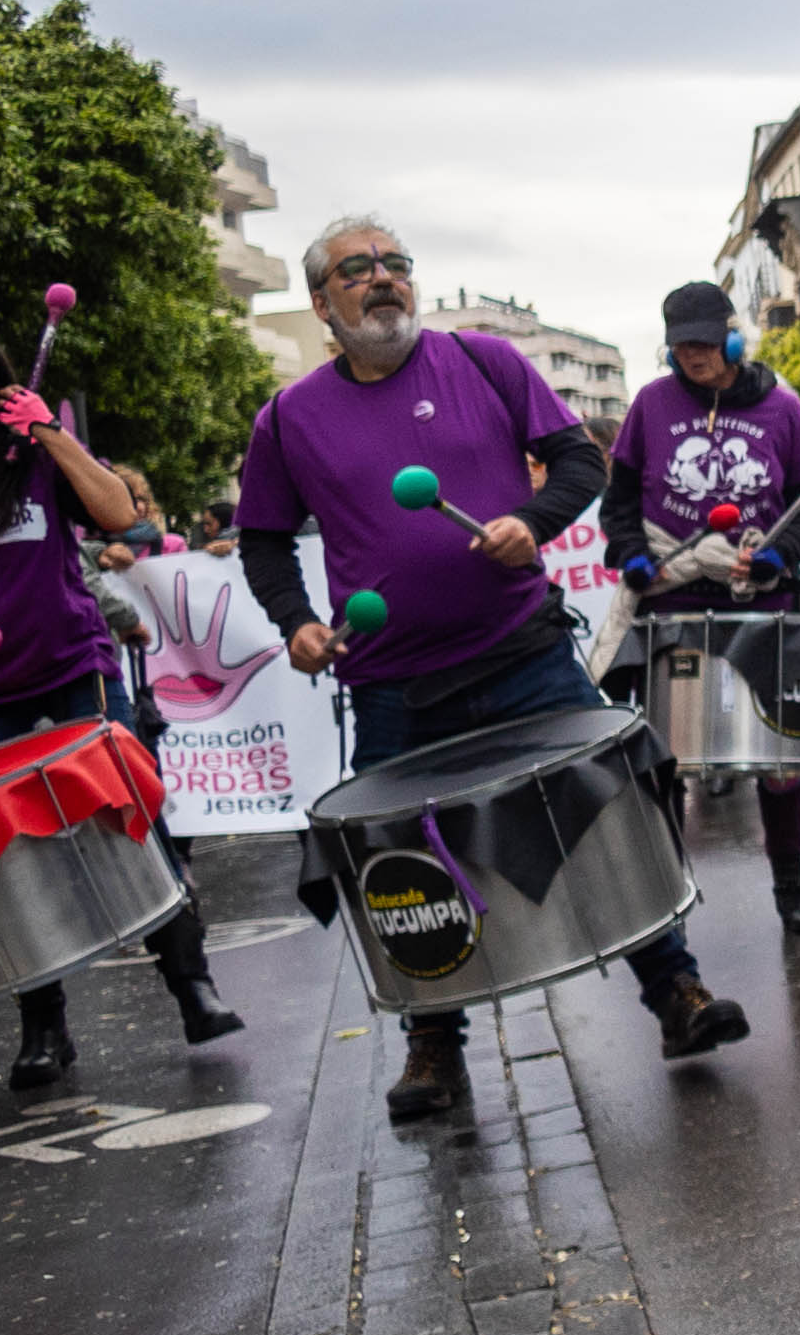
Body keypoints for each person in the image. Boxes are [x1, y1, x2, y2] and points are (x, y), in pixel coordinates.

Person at [239, 217, 748, 1120]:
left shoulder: (482, 363)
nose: (383, 279)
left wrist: (535, 521)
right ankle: (436, 1046)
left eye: (395, 264)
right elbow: (264, 540)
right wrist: (297, 623)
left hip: (523, 653)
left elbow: (579, 461)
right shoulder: (289, 418)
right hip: (392, 687)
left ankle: (677, 993)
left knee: (604, 818)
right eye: (357, 270)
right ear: (322, 302)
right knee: (408, 873)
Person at [0, 312, 242, 1089]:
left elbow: (124, 517)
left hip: (72, 666)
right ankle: (43, 1025)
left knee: (131, 817)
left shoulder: (30, 450)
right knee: (4, 858)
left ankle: (192, 986)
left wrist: (53, 434)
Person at [602, 279, 800, 937]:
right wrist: (632, 555)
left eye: (706, 345)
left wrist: (778, 553)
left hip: (762, 601)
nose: (695, 358)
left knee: (781, 756)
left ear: (731, 337)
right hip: (674, 605)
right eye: (681, 348)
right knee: (667, 760)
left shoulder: (779, 406)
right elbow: (619, 503)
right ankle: (667, 897)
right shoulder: (651, 405)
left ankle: (791, 887)